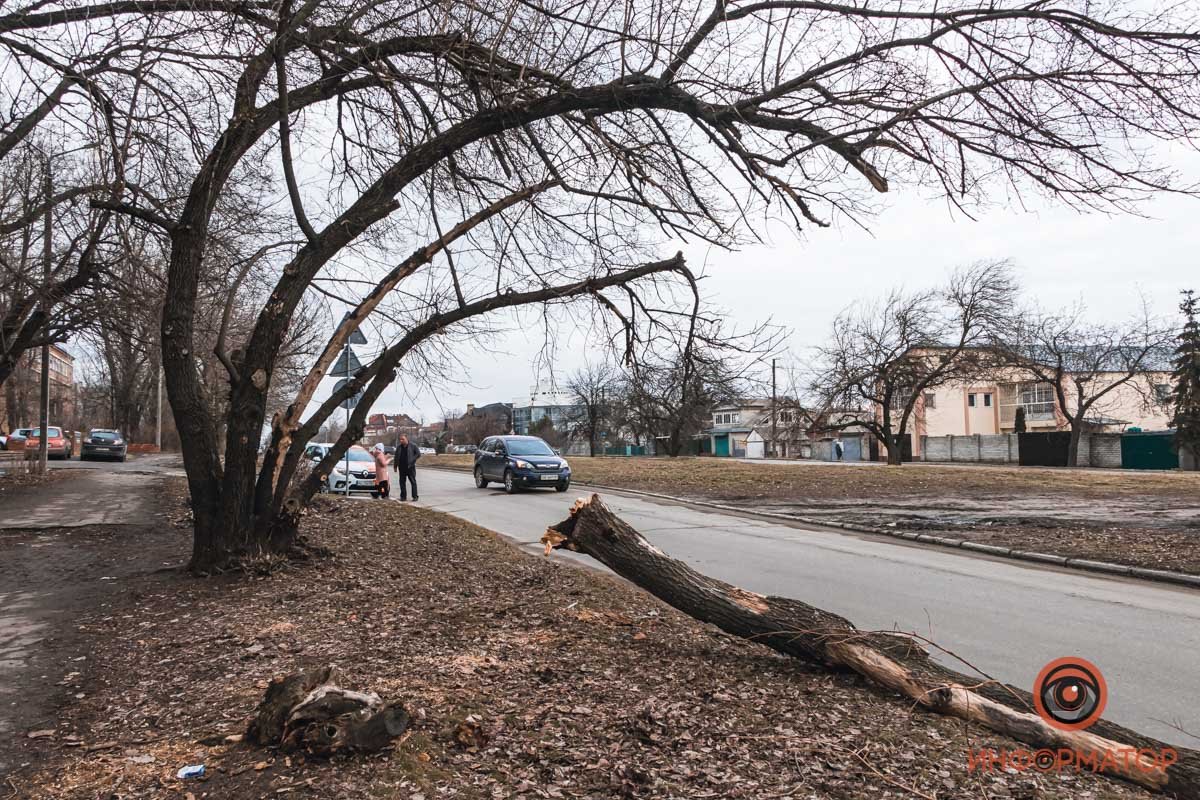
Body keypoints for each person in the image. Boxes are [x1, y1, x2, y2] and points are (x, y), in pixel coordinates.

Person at [395, 434, 420, 501]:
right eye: (400, 439)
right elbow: (396, 457)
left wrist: (412, 460)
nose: (401, 441)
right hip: (401, 467)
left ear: (406, 439)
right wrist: (395, 466)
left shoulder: (413, 445)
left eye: (403, 439)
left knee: (413, 481)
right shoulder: (399, 447)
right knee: (402, 482)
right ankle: (403, 497)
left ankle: (415, 496)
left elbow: (418, 454)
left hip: (410, 467)